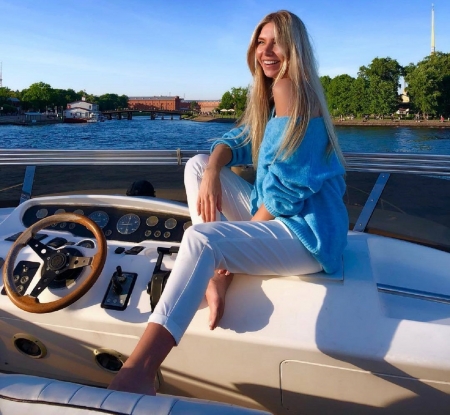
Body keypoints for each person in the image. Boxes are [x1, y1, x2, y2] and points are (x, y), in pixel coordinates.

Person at [108, 10, 348, 395]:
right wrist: (214, 168)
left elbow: (287, 194)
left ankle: (139, 371)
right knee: (198, 166)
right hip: (278, 211)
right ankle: (214, 278)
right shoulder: (273, 92)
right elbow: (241, 139)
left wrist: (231, 250)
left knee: (202, 241)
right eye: (260, 41)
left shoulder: (291, 89)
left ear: (294, 47)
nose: (265, 51)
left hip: (308, 232)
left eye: (275, 42)